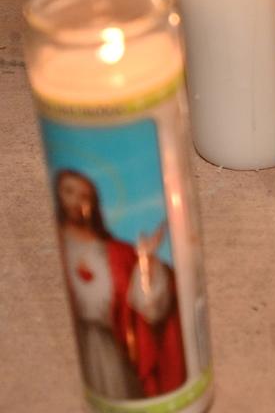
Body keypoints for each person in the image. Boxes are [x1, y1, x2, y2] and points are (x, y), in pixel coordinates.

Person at [54, 169, 186, 400]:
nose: (76, 201)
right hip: (78, 338)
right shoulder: (61, 243)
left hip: (110, 349)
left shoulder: (115, 252)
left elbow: (146, 308)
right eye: (69, 192)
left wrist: (146, 262)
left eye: (85, 196)